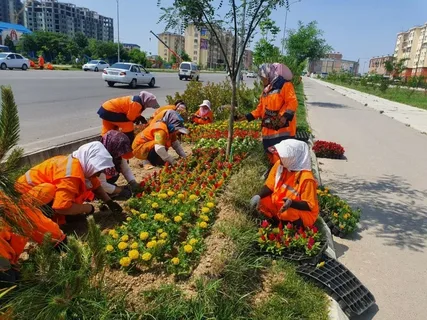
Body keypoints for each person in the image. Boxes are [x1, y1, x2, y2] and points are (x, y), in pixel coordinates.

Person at [15, 142, 123, 236]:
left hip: (34, 197)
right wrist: (88, 208)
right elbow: (61, 207)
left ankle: (62, 219)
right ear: (90, 162)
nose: (99, 174)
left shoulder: (82, 165)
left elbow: (96, 186)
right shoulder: (71, 174)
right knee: (53, 193)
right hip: (21, 204)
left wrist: (109, 201)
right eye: (98, 170)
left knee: (70, 200)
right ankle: (44, 224)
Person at [250, 139, 319, 228]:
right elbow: (270, 185)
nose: (280, 159)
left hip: (300, 211)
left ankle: (289, 232)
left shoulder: (306, 178)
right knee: (262, 201)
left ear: (293, 158)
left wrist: (292, 203)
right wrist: (258, 196)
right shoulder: (280, 165)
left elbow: (309, 205)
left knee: (288, 213)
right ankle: (275, 222)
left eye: (284, 157)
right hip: (281, 205)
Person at [245, 63, 298, 166]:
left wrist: (283, 118)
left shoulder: (285, 85)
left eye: (262, 77)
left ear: (269, 75)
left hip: (282, 133)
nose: (261, 80)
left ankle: (278, 179)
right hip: (269, 133)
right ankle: (273, 177)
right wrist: (246, 117)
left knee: (281, 162)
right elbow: (260, 109)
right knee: (272, 161)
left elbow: (292, 102)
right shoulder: (266, 90)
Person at [98, 130, 139, 200]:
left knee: (115, 174)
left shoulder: (117, 153)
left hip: (104, 181)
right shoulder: (100, 158)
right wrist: (120, 191)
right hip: (93, 185)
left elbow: (125, 169)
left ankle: (111, 189)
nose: (121, 153)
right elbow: (101, 184)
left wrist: (132, 182)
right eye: (120, 150)